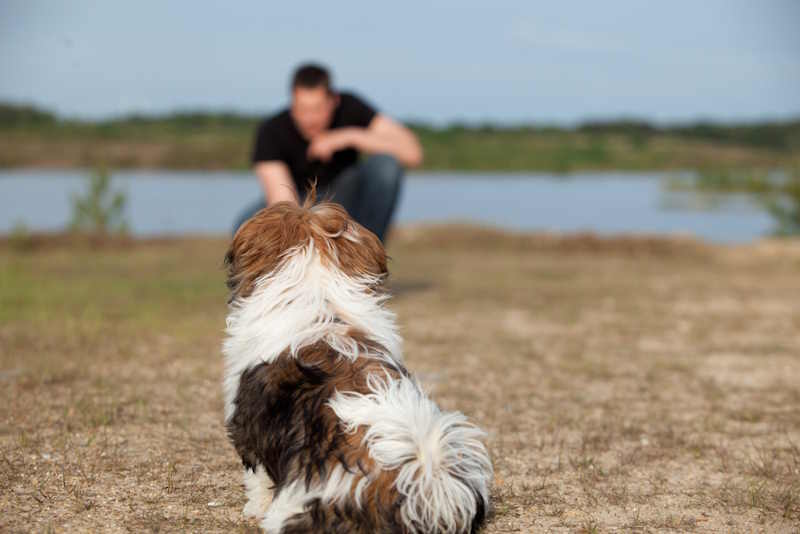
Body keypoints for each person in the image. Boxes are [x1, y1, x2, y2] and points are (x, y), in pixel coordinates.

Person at [233, 63, 423, 242]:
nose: (310, 119)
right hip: (297, 199)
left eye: (317, 109)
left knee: (386, 166)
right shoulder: (272, 131)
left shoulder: (350, 107)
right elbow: (282, 202)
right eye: (302, 109)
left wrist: (349, 136)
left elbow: (412, 153)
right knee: (245, 225)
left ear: (334, 101)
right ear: (292, 103)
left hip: (346, 195)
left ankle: (368, 261)